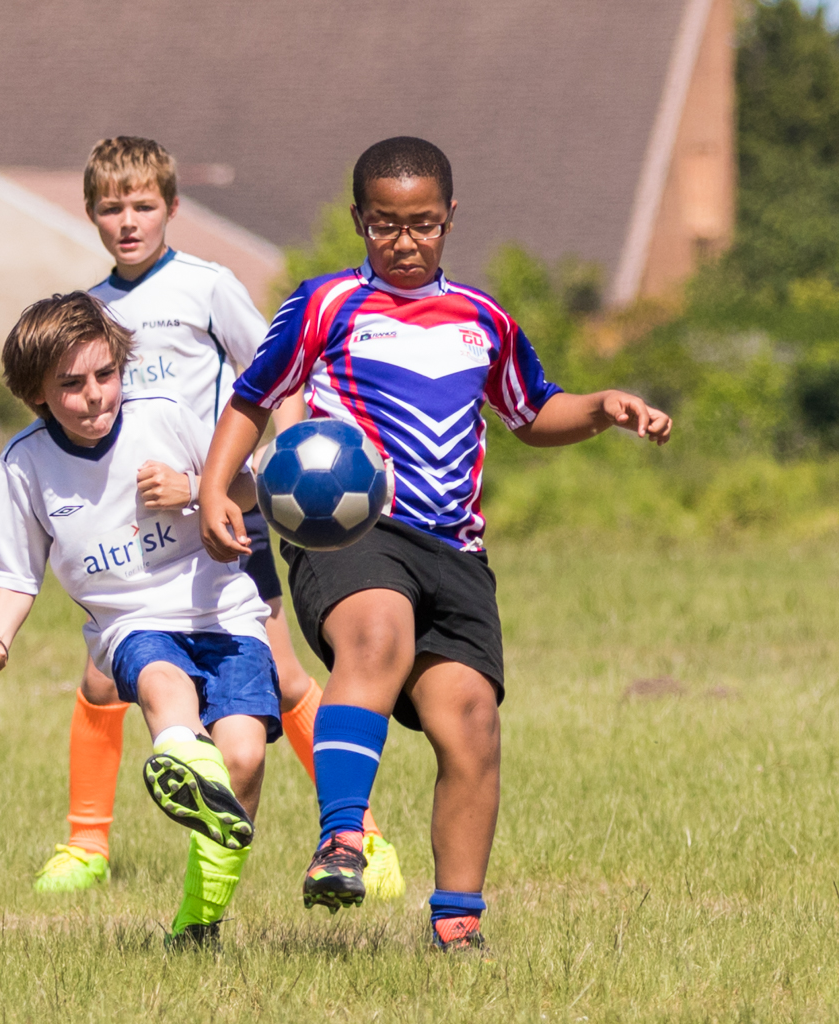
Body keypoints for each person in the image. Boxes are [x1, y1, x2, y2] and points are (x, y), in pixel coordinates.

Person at [198, 137, 672, 952]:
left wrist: (601, 407)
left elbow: (533, 413)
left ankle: (457, 924)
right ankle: (342, 839)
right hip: (348, 531)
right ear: (360, 219)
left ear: (450, 217)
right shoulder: (325, 304)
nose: (405, 240)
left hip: (455, 551)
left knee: (471, 721)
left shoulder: (485, 320)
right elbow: (253, 397)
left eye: (422, 223)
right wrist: (214, 489)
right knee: (377, 635)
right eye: (385, 224)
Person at [31, 136, 403, 898]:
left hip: (219, 510)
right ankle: (86, 846)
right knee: (101, 676)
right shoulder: (90, 311)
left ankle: (360, 835)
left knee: (284, 675)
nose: (128, 221)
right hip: (137, 528)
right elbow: (62, 428)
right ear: (91, 214)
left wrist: (282, 467)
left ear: (172, 206)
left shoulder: (207, 287)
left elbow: (277, 376)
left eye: (143, 205)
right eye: (111, 208)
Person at [0, 292, 277, 946]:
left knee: (244, 759)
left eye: (105, 374)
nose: (95, 395)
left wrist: (197, 490)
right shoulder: (23, 465)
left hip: (225, 612)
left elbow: (245, 486)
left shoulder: (164, 415)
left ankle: (198, 923)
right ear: (36, 394)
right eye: (71, 385)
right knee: (161, 679)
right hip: (130, 619)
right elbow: (16, 575)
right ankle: (180, 757)